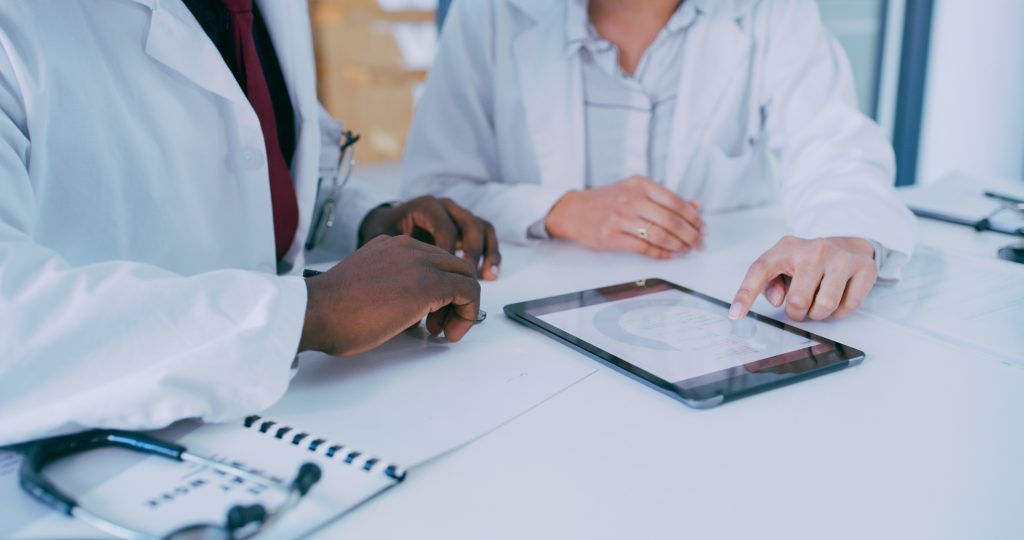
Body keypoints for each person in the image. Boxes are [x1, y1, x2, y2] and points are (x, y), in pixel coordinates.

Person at [0, 0, 501, 446]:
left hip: (307, 412)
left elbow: (265, 150)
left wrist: (369, 218)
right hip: (110, 451)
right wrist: (308, 314)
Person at [403, 0, 917, 323]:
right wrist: (559, 209)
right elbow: (431, 191)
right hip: (527, 313)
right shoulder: (491, 12)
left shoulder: (771, 11)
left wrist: (848, 235)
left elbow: (832, 147)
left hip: (718, 313)